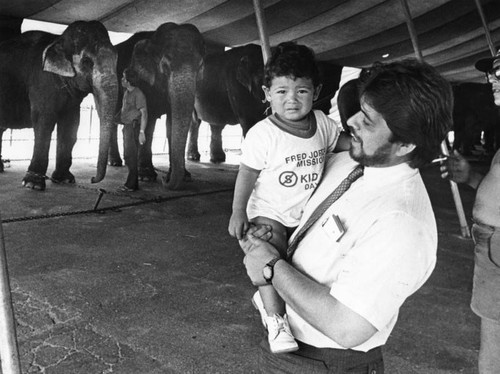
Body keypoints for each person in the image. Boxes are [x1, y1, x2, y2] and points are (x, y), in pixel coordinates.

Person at [239, 59, 453, 373]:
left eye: (368, 120)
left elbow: (347, 327)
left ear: (406, 143)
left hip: (328, 362)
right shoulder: (349, 163)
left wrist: (270, 267)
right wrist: (265, 234)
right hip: (290, 348)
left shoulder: (400, 224)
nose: (351, 121)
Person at [228, 41, 350, 354]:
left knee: (303, 266)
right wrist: (238, 211)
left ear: (317, 90)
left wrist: (369, 147)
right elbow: (247, 175)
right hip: (270, 212)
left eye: (301, 91)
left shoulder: (323, 124)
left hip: (307, 213)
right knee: (270, 255)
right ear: (267, 93)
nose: (291, 100)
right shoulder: (263, 134)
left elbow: (343, 144)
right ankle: (276, 320)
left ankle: (266, 296)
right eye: (281, 92)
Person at [440, 48, 500, 374]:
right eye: (492, 72)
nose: (492, 78)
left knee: (495, 352)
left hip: (498, 246)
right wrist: (472, 177)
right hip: (491, 246)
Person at [119, 68, 147, 192]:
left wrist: (142, 132)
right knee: (127, 155)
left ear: (128, 81)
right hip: (127, 127)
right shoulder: (127, 92)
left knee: (131, 156)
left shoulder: (138, 94)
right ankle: (131, 183)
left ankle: (131, 185)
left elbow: (144, 113)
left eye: (124, 78)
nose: (121, 79)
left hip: (134, 128)